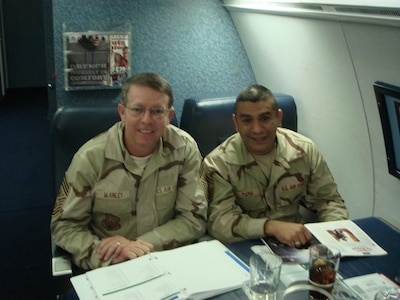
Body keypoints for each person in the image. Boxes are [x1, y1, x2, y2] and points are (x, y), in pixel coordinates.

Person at [51, 73, 207, 271]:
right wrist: (109, 253)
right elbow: (63, 226)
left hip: (166, 261)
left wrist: (144, 245)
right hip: (109, 266)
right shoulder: (89, 158)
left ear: (169, 116)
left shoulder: (185, 148)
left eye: (157, 111)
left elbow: (195, 218)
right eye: (137, 110)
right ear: (122, 112)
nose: (146, 120)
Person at [201, 84, 348, 247]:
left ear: (278, 118)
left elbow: (328, 201)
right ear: (236, 123)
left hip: (298, 240)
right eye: (247, 120)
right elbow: (220, 222)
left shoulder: (303, 150)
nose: (257, 129)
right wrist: (271, 227)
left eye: (265, 118)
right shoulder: (218, 163)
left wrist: (336, 239)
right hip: (247, 243)